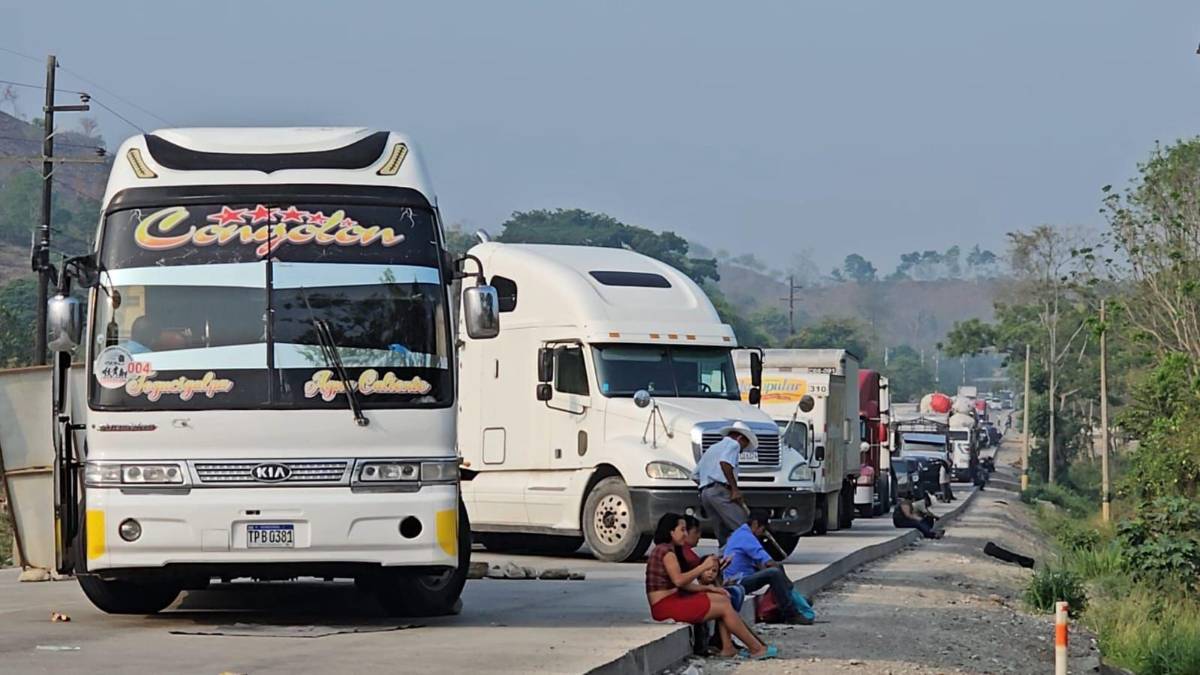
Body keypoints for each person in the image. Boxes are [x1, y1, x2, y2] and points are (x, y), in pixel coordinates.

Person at [645, 513, 778, 660]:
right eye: (682, 530)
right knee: (723, 606)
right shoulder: (666, 552)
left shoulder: (670, 550)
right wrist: (703, 567)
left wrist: (711, 589)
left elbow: (684, 585)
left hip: (673, 600)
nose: (685, 534)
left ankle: (729, 647)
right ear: (671, 532)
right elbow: (679, 581)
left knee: (722, 598)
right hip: (665, 606)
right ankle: (756, 648)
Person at [724, 510, 811, 624]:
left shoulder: (740, 533)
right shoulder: (746, 537)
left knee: (778, 571)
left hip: (744, 576)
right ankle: (791, 613)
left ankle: (794, 600)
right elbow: (768, 562)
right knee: (775, 573)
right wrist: (787, 583)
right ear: (755, 524)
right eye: (763, 529)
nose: (763, 533)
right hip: (739, 581)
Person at [694, 421, 759, 548]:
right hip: (720, 490)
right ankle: (757, 560)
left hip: (706, 493)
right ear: (740, 438)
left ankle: (725, 560)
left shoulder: (713, 448)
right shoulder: (734, 444)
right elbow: (725, 463)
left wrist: (708, 486)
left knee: (722, 533)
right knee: (742, 526)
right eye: (744, 446)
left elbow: (695, 475)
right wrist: (734, 489)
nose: (741, 451)